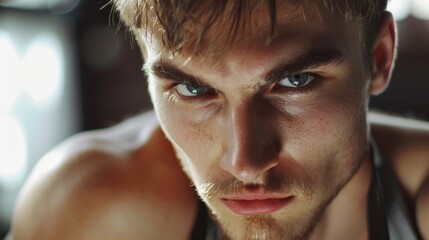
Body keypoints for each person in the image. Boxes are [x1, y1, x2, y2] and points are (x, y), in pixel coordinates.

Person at [8, 0, 429, 239]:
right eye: (193, 90)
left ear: (378, 58)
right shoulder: (90, 212)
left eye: (295, 81)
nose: (243, 161)